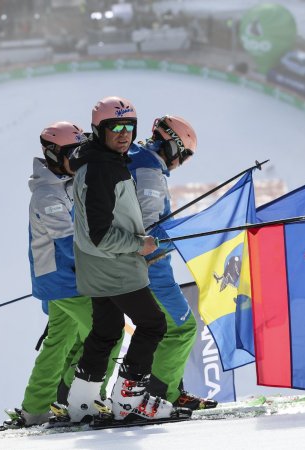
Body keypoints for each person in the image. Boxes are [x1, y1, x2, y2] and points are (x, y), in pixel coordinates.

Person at [62, 96, 189, 423]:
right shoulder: (105, 168)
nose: (124, 134)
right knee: (154, 324)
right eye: (115, 127)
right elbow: (100, 233)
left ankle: (82, 401)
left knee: (107, 328)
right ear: (98, 129)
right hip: (115, 264)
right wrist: (140, 244)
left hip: (100, 264)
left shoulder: (103, 160)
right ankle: (130, 400)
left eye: (128, 127)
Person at [1, 122, 122, 429]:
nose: (80, 159)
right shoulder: (47, 196)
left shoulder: (66, 185)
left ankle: (37, 408)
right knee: (109, 332)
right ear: (55, 154)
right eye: (74, 153)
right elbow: (68, 246)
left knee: (60, 342)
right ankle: (85, 401)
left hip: (61, 279)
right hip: (65, 281)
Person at [128, 115, 216, 410]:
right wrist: (186, 229)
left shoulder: (138, 162)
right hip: (152, 269)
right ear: (174, 146)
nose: (183, 162)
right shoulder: (149, 172)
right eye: (185, 155)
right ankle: (161, 396)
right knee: (183, 328)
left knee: (161, 329)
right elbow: (149, 230)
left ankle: (165, 390)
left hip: (143, 268)